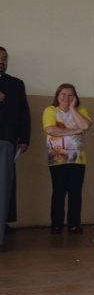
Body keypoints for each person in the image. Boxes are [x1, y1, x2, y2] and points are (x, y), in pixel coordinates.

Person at [43, 84, 92, 233]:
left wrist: (72, 109)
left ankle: (74, 224)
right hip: (57, 158)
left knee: (75, 193)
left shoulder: (80, 110)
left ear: (75, 97)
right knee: (58, 192)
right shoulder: (50, 110)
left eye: (71, 95)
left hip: (78, 159)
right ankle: (56, 224)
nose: (66, 98)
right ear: (57, 96)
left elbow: (86, 125)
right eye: (63, 94)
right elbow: (50, 129)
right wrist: (76, 130)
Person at [0, 46, 30, 250]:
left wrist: (24, 138)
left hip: (7, 141)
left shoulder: (16, 84)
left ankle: (3, 221)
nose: (2, 61)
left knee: (5, 185)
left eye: (4, 58)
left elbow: (23, 113)